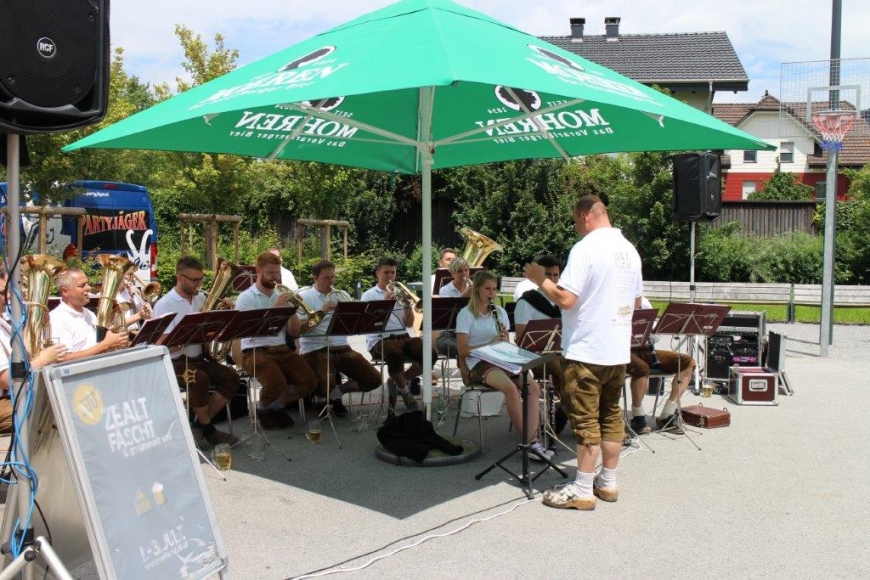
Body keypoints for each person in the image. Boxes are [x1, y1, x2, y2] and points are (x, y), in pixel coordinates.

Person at [525, 194, 642, 510]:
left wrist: (539, 280)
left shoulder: (586, 248)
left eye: (576, 220)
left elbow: (566, 299)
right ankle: (608, 481)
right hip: (617, 350)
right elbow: (634, 305)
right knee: (611, 415)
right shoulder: (630, 251)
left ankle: (582, 488)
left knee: (586, 419)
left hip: (587, 350)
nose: (576, 226)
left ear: (585, 216)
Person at [455, 270, 553, 461]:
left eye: (494, 289)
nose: (491, 293)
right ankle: (531, 442)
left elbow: (505, 343)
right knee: (511, 389)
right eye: (487, 289)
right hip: (478, 362)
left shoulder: (499, 313)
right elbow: (463, 351)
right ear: (477, 289)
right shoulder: (465, 314)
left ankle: (535, 440)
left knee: (533, 387)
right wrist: (489, 343)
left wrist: (507, 347)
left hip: (499, 359)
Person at [152, 256, 240, 449]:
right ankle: (209, 431)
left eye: (201, 279)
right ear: (180, 278)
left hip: (199, 357)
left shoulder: (201, 298)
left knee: (232, 377)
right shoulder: (165, 304)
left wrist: (224, 317)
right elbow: (161, 345)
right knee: (199, 379)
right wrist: (187, 337)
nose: (199, 284)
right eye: (194, 280)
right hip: (175, 362)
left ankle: (199, 426)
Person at [235, 251, 318, 429]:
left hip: (281, 349)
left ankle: (273, 406)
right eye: (271, 273)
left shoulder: (281, 295)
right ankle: (263, 408)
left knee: (310, 380)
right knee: (277, 382)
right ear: (259, 271)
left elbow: (294, 332)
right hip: (254, 350)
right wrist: (276, 308)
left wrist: (292, 310)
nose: (275, 277)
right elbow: (253, 331)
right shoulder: (246, 298)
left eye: (277, 272)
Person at [297, 260, 382, 418]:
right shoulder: (303, 297)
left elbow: (354, 324)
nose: (331, 282)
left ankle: (336, 394)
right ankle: (321, 399)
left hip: (342, 346)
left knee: (374, 379)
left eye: (333, 277)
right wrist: (320, 313)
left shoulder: (342, 295)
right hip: (316, 348)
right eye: (326, 278)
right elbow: (299, 330)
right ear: (315, 278)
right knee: (325, 381)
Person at [361, 258, 435, 415]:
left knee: (430, 354)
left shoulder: (401, 293)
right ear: (377, 274)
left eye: (393, 272)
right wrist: (385, 304)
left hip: (403, 336)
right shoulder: (368, 295)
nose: (390, 276)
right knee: (394, 355)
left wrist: (408, 306)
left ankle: (399, 381)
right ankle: (406, 393)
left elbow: (409, 324)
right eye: (386, 272)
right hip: (380, 339)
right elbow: (369, 324)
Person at [0, 269, 67, 433]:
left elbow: (22, 350)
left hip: (14, 395)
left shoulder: (3, 323)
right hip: (5, 400)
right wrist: (42, 360)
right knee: (60, 409)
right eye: (2, 292)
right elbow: (6, 380)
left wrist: (34, 320)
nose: (8, 296)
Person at [626, 298, 696, 435]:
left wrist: (650, 330)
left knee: (688, 362)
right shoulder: (612, 299)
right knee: (642, 369)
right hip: (624, 350)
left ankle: (667, 414)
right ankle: (638, 417)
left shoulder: (643, 302)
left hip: (646, 348)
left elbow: (656, 337)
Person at [513, 255, 566, 434]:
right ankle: (567, 410)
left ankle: (566, 409)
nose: (552, 279)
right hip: (534, 357)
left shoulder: (563, 301)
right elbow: (521, 339)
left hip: (561, 353)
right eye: (547, 275)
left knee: (584, 367)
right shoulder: (526, 301)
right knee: (563, 370)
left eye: (555, 275)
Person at [52, 269, 130, 360]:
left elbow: (94, 344)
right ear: (65, 291)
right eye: (82, 285)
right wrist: (106, 344)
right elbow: (63, 359)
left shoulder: (89, 314)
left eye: (87, 283)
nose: (88, 288)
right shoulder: (57, 320)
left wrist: (112, 333)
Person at [435, 257, 472, 358]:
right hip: (450, 333)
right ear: (452, 274)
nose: (464, 274)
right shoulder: (445, 290)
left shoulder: (474, 289)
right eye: (459, 271)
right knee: (461, 349)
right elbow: (449, 314)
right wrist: (466, 294)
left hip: (471, 332)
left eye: (466, 270)